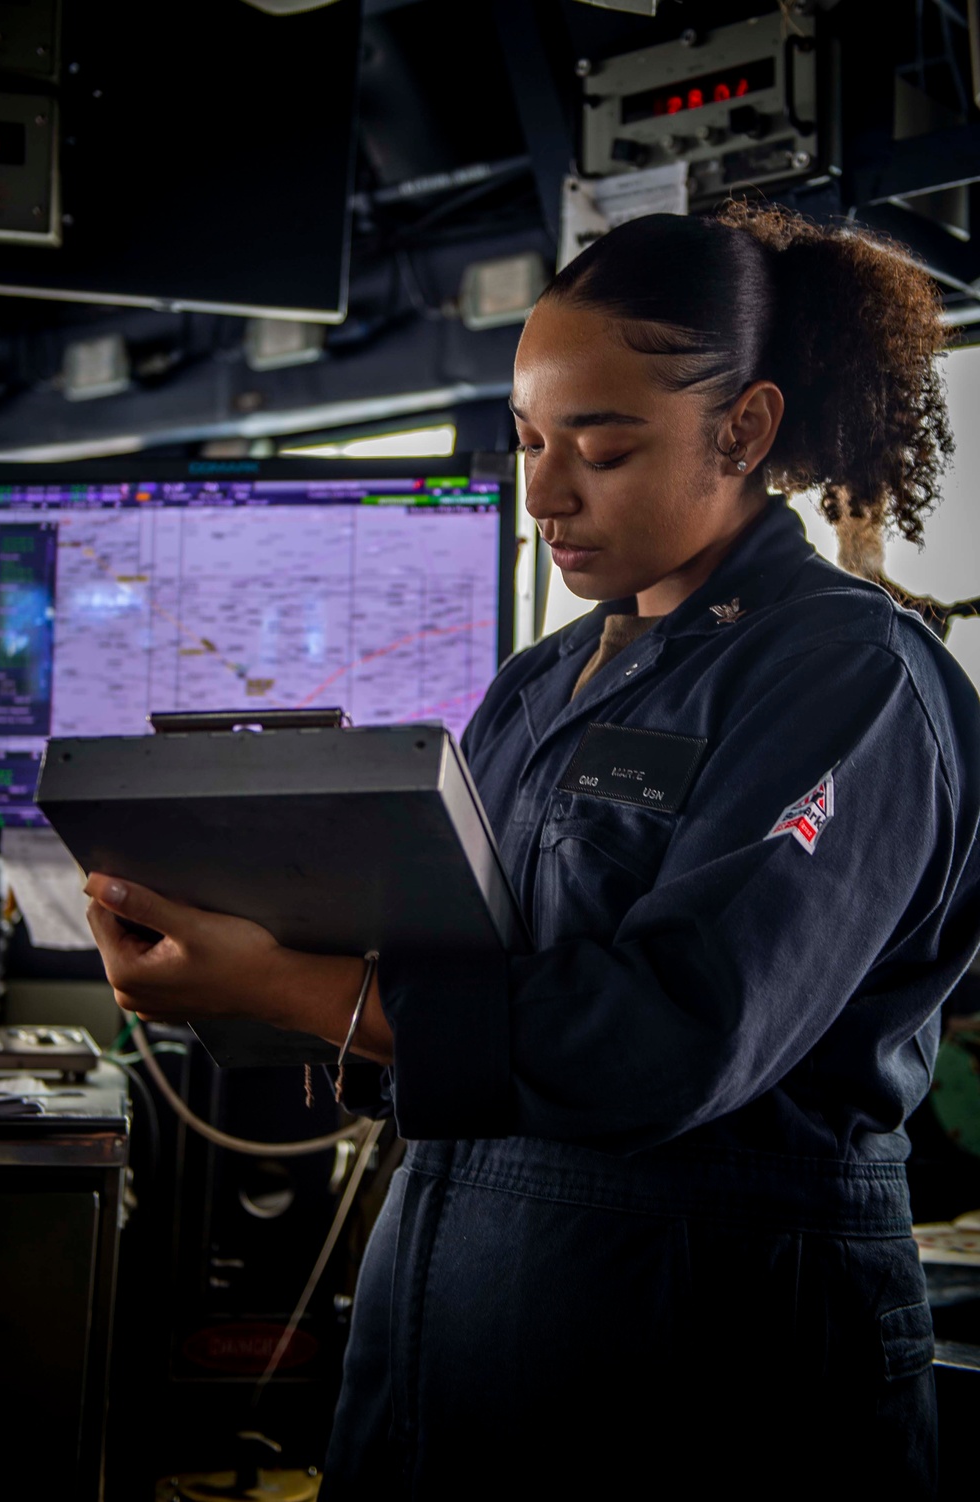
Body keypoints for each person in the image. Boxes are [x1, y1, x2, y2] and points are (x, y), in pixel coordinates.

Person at [85, 205, 980, 1500]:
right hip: (448, 1357)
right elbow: (464, 972)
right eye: (527, 440)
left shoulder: (850, 680)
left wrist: (286, 984)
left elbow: (674, 1034)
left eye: (602, 449)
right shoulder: (544, 680)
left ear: (746, 429)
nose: (544, 492)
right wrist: (274, 932)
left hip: (714, 1385)